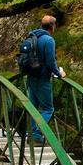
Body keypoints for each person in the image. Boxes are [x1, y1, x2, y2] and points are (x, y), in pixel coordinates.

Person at [25, 15, 66, 145]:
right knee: (48, 109)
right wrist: (59, 74)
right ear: (52, 26)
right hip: (42, 78)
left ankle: (30, 134)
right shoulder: (49, 40)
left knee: (33, 108)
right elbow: (50, 61)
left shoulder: (32, 36)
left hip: (31, 76)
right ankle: (36, 135)